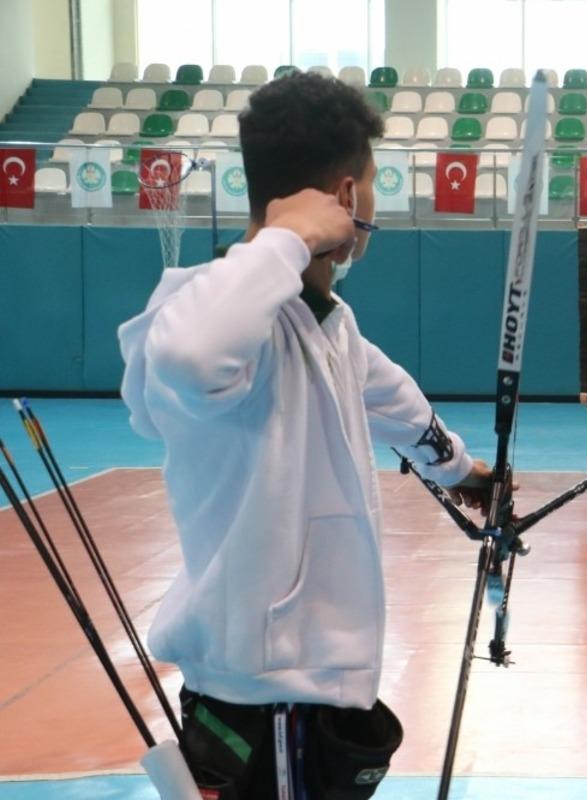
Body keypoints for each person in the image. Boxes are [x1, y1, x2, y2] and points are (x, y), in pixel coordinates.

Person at [118, 73, 492, 798]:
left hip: (310, 685)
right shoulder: (210, 309)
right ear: (348, 197)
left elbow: (402, 408)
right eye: (374, 185)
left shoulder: (327, 321)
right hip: (265, 692)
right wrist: (288, 239)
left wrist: (467, 475)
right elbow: (189, 358)